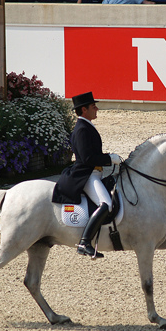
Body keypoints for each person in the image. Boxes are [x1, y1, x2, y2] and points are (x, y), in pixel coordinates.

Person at [51, 92, 122, 259]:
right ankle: (84, 242)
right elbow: (87, 158)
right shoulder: (82, 129)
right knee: (106, 204)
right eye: (93, 106)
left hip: (95, 173)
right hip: (88, 175)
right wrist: (109, 159)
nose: (96, 108)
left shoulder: (87, 126)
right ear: (84, 109)